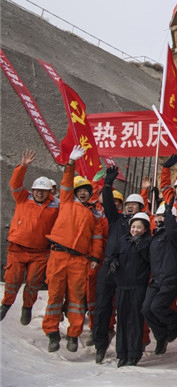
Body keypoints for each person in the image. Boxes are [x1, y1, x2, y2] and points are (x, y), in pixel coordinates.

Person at [42, 146, 104, 353]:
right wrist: (71, 163)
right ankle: (51, 332)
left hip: (80, 260)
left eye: (87, 191)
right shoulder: (67, 202)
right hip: (58, 254)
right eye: (81, 190)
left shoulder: (94, 215)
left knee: (77, 299)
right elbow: (66, 183)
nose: (84, 193)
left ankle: (73, 334)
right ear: (76, 193)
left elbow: (97, 239)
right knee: (54, 295)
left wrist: (95, 257)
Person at [94, 166, 145, 363]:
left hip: (130, 272)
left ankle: (132, 347)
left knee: (130, 311)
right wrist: (108, 183)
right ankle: (100, 342)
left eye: (135, 204)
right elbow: (107, 202)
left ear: (141, 208)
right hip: (109, 267)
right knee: (102, 306)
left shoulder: (144, 227)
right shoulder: (116, 219)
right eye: (128, 204)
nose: (130, 207)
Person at [2, 149, 59, 325]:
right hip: (17, 248)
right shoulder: (23, 198)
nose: (40, 193)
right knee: (13, 279)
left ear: (50, 192)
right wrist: (22, 167)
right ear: (33, 190)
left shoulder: (56, 206)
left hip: (40, 252)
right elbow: (15, 184)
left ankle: (27, 307)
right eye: (37, 190)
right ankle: (6, 304)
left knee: (34, 282)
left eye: (44, 191)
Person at [108, 212, 152, 367]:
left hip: (137, 287)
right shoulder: (123, 240)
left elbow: (148, 260)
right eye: (133, 227)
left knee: (135, 320)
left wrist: (139, 244)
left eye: (139, 228)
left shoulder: (147, 243)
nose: (135, 230)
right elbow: (113, 254)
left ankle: (133, 354)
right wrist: (113, 262)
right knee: (123, 320)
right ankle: (122, 353)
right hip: (122, 286)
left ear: (145, 229)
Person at [142, 199, 177, 358]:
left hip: (169, 278)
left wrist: (169, 214)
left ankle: (173, 325)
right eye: (158, 216)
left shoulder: (174, 234)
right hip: (156, 279)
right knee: (146, 309)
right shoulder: (155, 236)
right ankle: (160, 336)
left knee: (157, 307)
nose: (159, 219)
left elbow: (173, 229)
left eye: (163, 216)